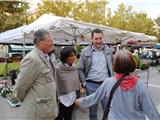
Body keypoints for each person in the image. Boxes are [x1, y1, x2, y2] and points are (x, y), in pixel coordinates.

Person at [75, 50, 160, 120]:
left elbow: (94, 97)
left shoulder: (108, 82)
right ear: (132, 64)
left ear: (115, 65)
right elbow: (151, 111)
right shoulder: (140, 86)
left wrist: (80, 101)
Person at [13, 28, 58, 120]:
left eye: (52, 41)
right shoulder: (32, 59)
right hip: (38, 112)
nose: (52, 43)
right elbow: (20, 87)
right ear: (38, 41)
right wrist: (27, 100)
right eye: (49, 41)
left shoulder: (45, 56)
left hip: (46, 110)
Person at [78, 28, 113, 120]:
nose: (99, 41)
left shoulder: (108, 50)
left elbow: (112, 66)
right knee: (93, 112)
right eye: (96, 39)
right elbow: (80, 69)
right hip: (91, 85)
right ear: (92, 39)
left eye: (100, 38)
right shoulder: (85, 51)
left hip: (106, 85)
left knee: (108, 110)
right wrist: (84, 84)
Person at [55, 46, 80, 120]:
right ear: (65, 57)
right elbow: (56, 83)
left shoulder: (74, 67)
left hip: (72, 96)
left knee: (68, 117)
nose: (74, 57)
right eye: (71, 56)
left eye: (74, 55)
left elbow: (76, 81)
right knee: (59, 117)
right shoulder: (58, 69)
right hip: (62, 97)